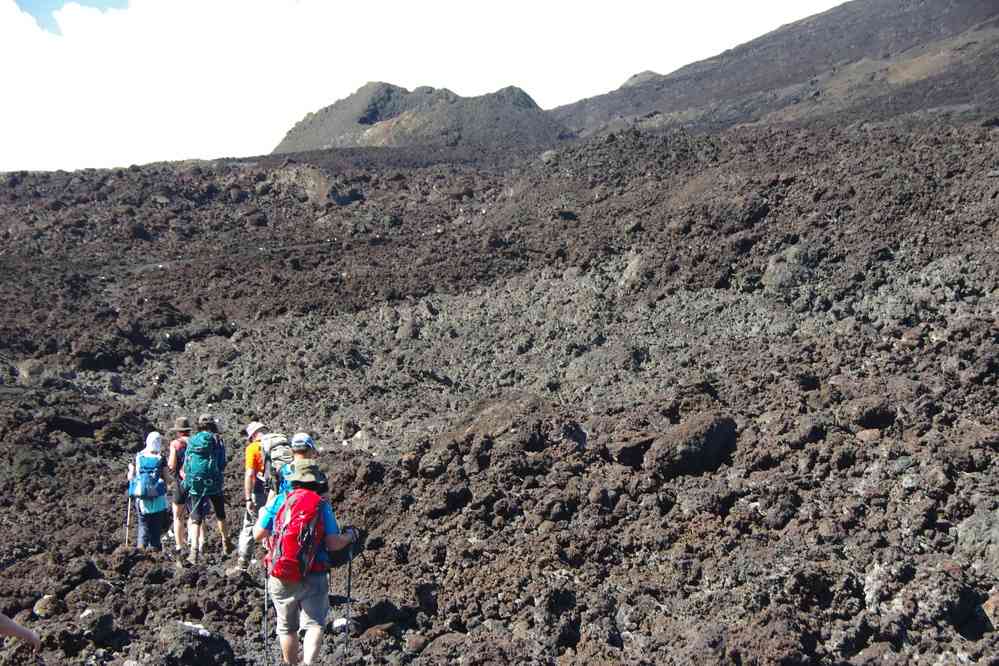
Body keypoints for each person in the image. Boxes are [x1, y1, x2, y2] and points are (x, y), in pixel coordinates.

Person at [254, 454, 357, 666]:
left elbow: (258, 534)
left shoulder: (280, 500)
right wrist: (350, 536)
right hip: (314, 572)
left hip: (281, 572)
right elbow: (333, 543)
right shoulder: (321, 505)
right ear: (315, 482)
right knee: (315, 624)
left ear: (293, 480)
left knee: (286, 628)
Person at [180, 414, 230, 565]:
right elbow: (222, 463)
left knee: (196, 517)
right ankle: (226, 544)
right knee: (220, 514)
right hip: (214, 482)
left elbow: (186, 464)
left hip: (196, 483)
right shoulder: (217, 440)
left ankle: (194, 552)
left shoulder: (192, 440)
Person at [232, 421, 269, 574]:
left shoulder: (253, 448)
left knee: (249, 526)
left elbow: (249, 474)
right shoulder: (279, 445)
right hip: (279, 492)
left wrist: (248, 499)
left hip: (260, 492)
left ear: (253, 435)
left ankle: (242, 565)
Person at [126, 431, 170, 550]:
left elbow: (130, 477)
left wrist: (130, 470)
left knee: (143, 525)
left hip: (141, 497)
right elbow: (167, 478)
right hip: (157, 498)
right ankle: (154, 551)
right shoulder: (161, 458)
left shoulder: (138, 457)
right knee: (156, 526)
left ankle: (141, 551)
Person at [167, 416, 192, 555]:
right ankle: (194, 542)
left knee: (178, 516)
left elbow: (171, 465)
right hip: (194, 482)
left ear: (178, 431)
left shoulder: (175, 444)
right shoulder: (195, 442)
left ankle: (179, 545)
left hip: (180, 482)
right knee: (194, 515)